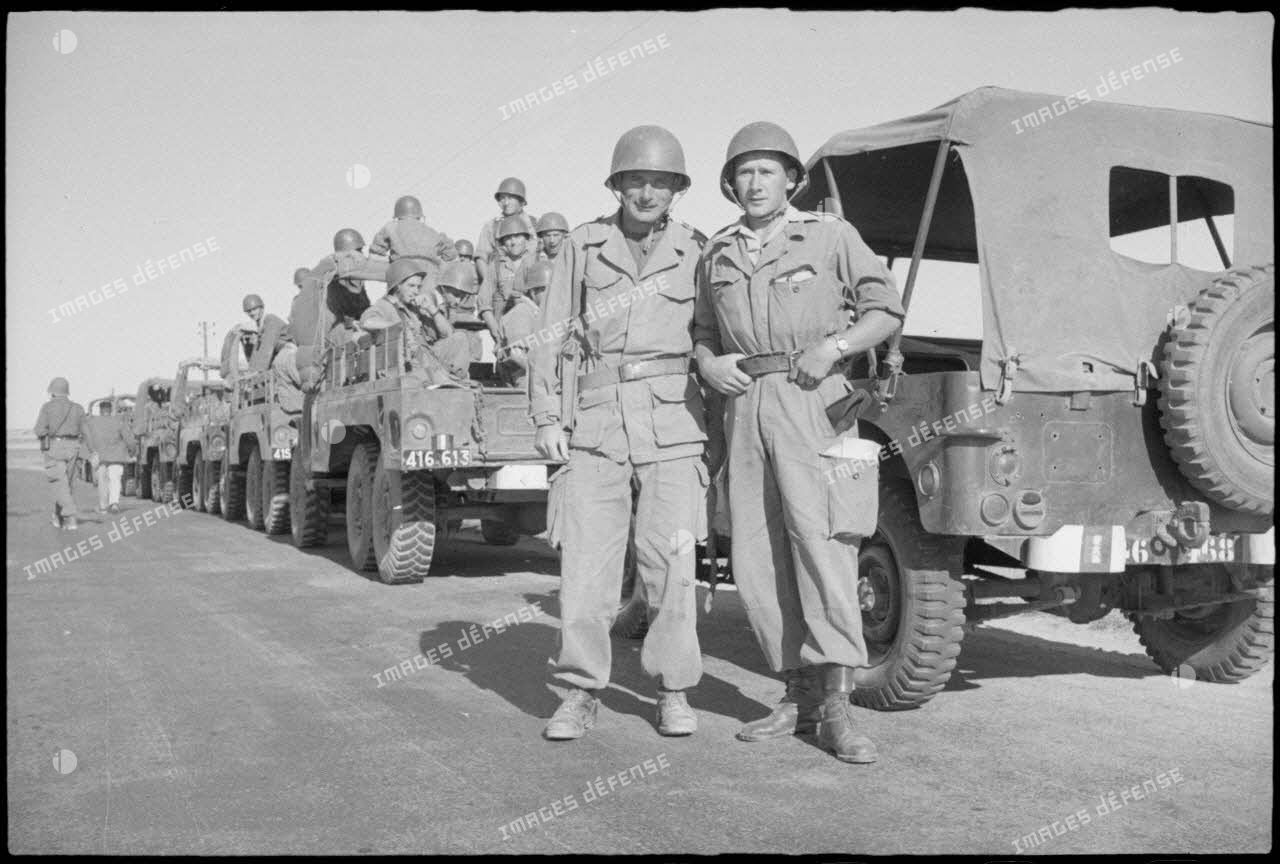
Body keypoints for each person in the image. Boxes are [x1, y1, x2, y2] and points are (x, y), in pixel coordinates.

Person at [693, 122, 904, 765]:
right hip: (745, 407)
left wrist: (835, 347)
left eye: (767, 171)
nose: (755, 183)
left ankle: (836, 707)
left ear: (791, 179)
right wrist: (709, 364)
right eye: (744, 172)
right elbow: (702, 332)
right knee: (758, 555)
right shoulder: (717, 252)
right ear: (730, 184)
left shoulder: (830, 235)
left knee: (824, 547)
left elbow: (885, 311)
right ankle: (797, 696)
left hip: (814, 400)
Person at [528, 125, 709, 741]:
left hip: (674, 424)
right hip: (596, 424)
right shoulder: (584, 245)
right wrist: (547, 417)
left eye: (660, 182)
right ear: (617, 185)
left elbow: (712, 339)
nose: (647, 193)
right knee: (586, 569)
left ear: (677, 189)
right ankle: (580, 691)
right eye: (635, 180)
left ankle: (674, 689)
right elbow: (550, 333)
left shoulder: (696, 250)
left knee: (672, 565)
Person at [359, 258, 470, 384]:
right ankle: (447, 381)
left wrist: (432, 309)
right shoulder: (384, 305)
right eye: (411, 286)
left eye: (418, 287)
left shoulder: (413, 309)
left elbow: (447, 334)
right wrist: (400, 327)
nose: (416, 291)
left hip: (427, 358)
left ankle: (450, 381)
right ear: (397, 286)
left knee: (459, 338)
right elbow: (366, 321)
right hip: (410, 365)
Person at [34, 377, 89, 530]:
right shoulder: (78, 408)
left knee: (60, 483)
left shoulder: (47, 407)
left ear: (52, 392)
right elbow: (86, 431)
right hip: (74, 448)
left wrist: (45, 434)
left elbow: (39, 430)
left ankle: (70, 517)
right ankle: (58, 516)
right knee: (66, 485)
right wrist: (92, 451)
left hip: (55, 448)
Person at [477, 215, 538, 343]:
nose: (513, 242)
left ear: (526, 238)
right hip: (503, 332)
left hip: (534, 329)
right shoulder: (496, 265)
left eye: (518, 236)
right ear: (502, 242)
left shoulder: (536, 261)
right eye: (508, 238)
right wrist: (494, 328)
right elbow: (483, 300)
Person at [368, 195, 458, 278]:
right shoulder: (432, 232)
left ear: (397, 214)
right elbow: (451, 254)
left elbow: (376, 253)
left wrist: (391, 261)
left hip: (402, 272)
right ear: (419, 215)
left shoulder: (391, 227)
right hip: (429, 274)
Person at [242, 294, 304, 414]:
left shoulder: (270, 320)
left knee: (303, 383)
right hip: (280, 358)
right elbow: (258, 352)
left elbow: (267, 347)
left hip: (288, 353)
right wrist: (250, 372)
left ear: (261, 308)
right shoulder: (261, 326)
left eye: (254, 309)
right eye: (249, 311)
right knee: (286, 392)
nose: (252, 313)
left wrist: (256, 371)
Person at [475, 177, 538, 292]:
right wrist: (490, 285)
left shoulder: (534, 224)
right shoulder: (491, 226)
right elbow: (481, 258)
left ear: (521, 200)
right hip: (500, 285)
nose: (506, 202)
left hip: (530, 285)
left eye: (510, 198)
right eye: (502, 198)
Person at [497, 259, 551, 388]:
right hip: (524, 378)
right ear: (533, 291)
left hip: (537, 377)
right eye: (547, 290)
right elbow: (516, 355)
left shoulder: (541, 314)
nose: (552, 295)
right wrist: (546, 376)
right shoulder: (522, 312)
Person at [85, 401, 136, 514]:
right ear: (111, 410)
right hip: (117, 456)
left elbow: (87, 438)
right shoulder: (119, 421)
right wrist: (132, 451)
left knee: (102, 481)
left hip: (100, 456)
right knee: (115, 479)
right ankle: (114, 504)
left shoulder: (92, 422)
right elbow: (129, 438)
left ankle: (103, 507)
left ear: (100, 410)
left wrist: (90, 453)